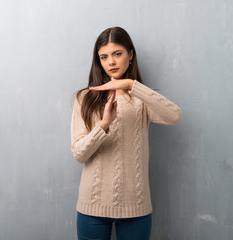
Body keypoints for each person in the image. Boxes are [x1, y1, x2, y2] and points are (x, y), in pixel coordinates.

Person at [70, 26, 182, 240]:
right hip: (92, 207)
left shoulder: (142, 99)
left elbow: (175, 115)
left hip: (135, 207)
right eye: (104, 57)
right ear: (98, 60)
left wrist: (132, 85)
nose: (111, 62)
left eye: (117, 54)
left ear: (130, 55)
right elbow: (79, 154)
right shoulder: (85, 98)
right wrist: (103, 124)